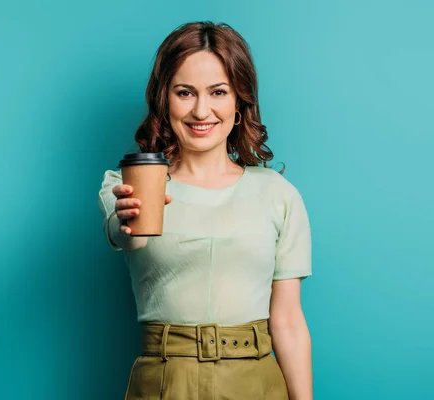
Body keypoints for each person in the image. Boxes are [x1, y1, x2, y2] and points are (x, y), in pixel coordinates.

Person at [98, 21, 313, 400]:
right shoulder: (127, 183)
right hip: (164, 383)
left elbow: (289, 321)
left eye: (218, 92)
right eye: (185, 92)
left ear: (239, 100)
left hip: (255, 382)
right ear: (164, 98)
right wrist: (126, 222)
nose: (201, 110)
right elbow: (124, 235)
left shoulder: (278, 194)